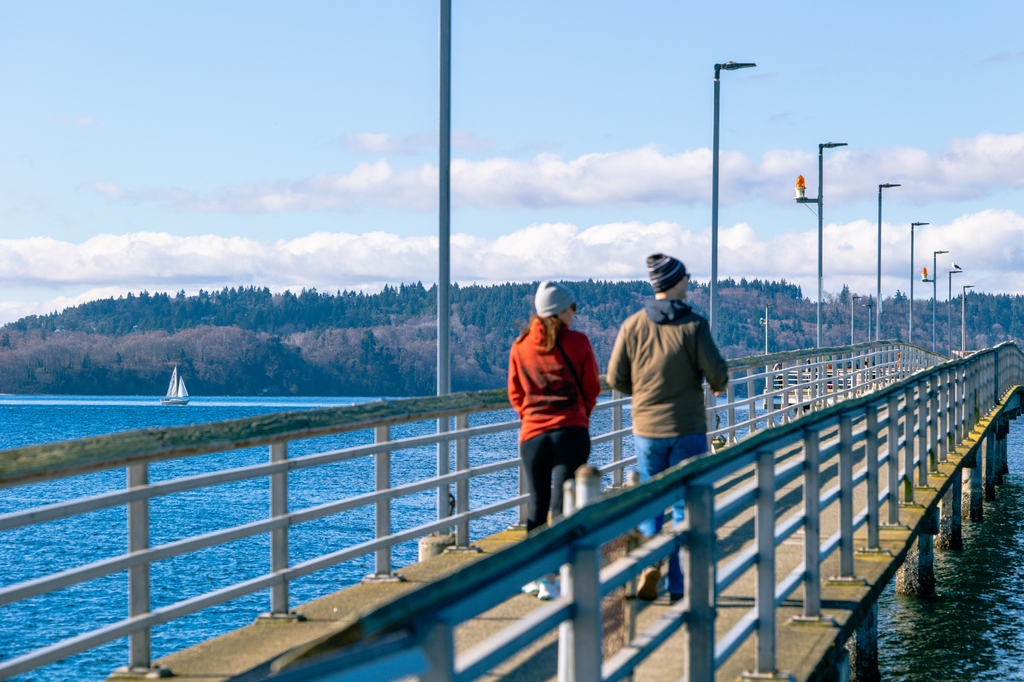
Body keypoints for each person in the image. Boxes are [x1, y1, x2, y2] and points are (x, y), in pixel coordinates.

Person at [606, 254, 728, 603]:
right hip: (688, 429)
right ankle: (678, 587)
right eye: (685, 278)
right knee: (684, 508)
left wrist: (642, 393)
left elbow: (615, 377)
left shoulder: (633, 325)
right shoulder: (694, 326)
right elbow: (717, 374)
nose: (689, 282)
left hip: (647, 429)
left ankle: (649, 565)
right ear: (674, 283)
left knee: (652, 502)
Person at [509, 281, 601, 599]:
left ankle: (535, 575)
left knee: (537, 504)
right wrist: (580, 416)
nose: (574, 313)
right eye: (572, 307)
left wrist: (532, 418)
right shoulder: (578, 342)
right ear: (559, 310)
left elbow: (515, 392)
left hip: (533, 435)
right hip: (571, 431)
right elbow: (591, 387)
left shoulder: (521, 346)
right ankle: (557, 577)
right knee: (563, 506)